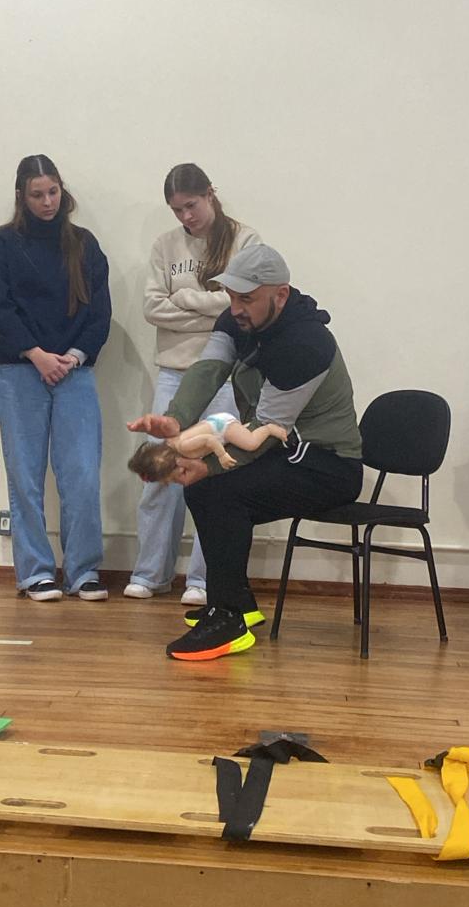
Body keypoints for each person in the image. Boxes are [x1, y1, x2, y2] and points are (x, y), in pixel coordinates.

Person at [128, 245, 363, 661]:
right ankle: (237, 603)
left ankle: (228, 619)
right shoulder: (235, 319)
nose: (235, 308)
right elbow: (209, 370)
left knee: (219, 492)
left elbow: (264, 432)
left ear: (281, 295)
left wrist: (205, 465)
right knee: (207, 489)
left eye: (247, 298)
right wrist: (175, 420)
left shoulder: (306, 344)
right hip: (287, 451)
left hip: (327, 465)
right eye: (232, 296)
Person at [124, 163, 260, 606]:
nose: (186, 217)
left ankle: (203, 579)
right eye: (177, 210)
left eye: (192, 205)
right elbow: (152, 309)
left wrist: (183, 298)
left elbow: (241, 306)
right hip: (173, 372)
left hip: (224, 375)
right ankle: (150, 574)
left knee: (215, 475)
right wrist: (211, 308)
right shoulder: (165, 245)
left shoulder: (245, 241)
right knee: (159, 473)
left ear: (210, 194)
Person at [0, 155, 111, 602]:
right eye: (37, 195)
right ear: (22, 196)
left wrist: (72, 357)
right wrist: (36, 355)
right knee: (25, 477)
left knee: (81, 474)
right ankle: (35, 572)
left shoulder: (84, 244)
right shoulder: (2, 243)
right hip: (19, 370)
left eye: (53, 191)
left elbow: (99, 312)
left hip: (75, 371)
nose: (47, 201)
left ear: (61, 190)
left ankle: (83, 571)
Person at [128, 416, 288, 480]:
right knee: (242, 439)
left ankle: (269, 429)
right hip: (216, 425)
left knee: (251, 444)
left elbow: (209, 439)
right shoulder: (171, 443)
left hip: (223, 427)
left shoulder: (183, 447)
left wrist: (222, 455)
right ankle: (245, 430)